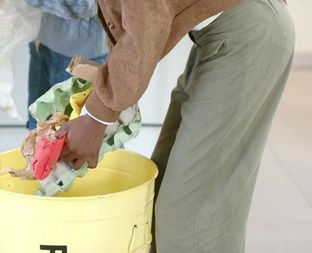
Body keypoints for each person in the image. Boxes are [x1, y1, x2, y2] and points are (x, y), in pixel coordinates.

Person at [56, 0, 295, 252]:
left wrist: (97, 117)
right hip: (221, 36)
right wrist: (105, 99)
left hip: (247, 35)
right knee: (159, 191)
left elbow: (144, 34)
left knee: (188, 215)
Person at [25, 0, 108, 129]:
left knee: (84, 134)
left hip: (81, 54)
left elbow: (83, 6)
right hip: (44, 41)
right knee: (38, 128)